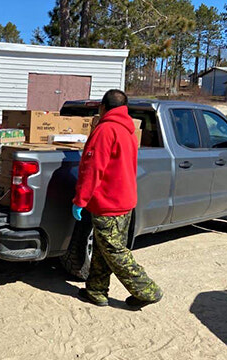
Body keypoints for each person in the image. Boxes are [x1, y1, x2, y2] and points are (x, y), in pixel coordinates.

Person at [72, 89, 163, 309]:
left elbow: (92, 169)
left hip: (108, 203)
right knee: (105, 248)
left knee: (114, 250)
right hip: (125, 200)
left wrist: (80, 200)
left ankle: (148, 291)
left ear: (103, 107)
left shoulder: (105, 130)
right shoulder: (129, 129)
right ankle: (96, 290)